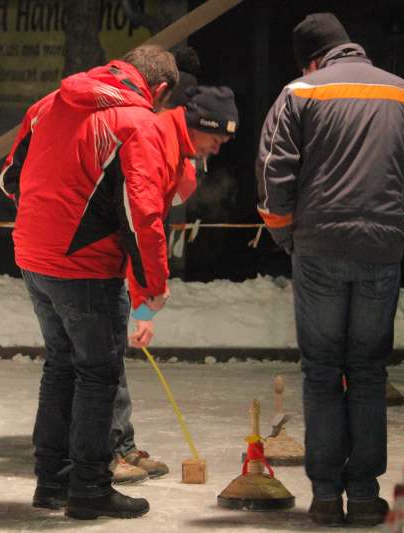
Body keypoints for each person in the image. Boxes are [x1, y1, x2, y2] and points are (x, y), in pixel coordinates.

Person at [255, 13, 404, 527]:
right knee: (367, 371)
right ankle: (363, 495)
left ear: (313, 60)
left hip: (317, 249)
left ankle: (324, 497)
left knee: (322, 371)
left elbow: (274, 172)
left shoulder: (299, 93)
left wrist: (286, 236)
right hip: (381, 251)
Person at [0, 44, 177, 520]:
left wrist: (48, 219)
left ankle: (51, 482)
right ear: (159, 88)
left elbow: (10, 178)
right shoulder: (135, 123)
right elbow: (143, 214)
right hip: (86, 267)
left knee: (60, 365)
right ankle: (90, 488)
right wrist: (151, 287)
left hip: (33, 255)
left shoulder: (48, 105)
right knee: (98, 374)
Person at [109, 82, 239, 485]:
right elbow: (143, 224)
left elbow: (143, 230)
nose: (218, 148)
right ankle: (103, 454)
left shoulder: (175, 150)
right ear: (199, 124)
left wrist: (143, 308)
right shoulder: (155, 141)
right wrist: (153, 290)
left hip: (110, 259)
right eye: (216, 138)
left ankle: (118, 446)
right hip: (87, 260)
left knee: (105, 357)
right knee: (97, 362)